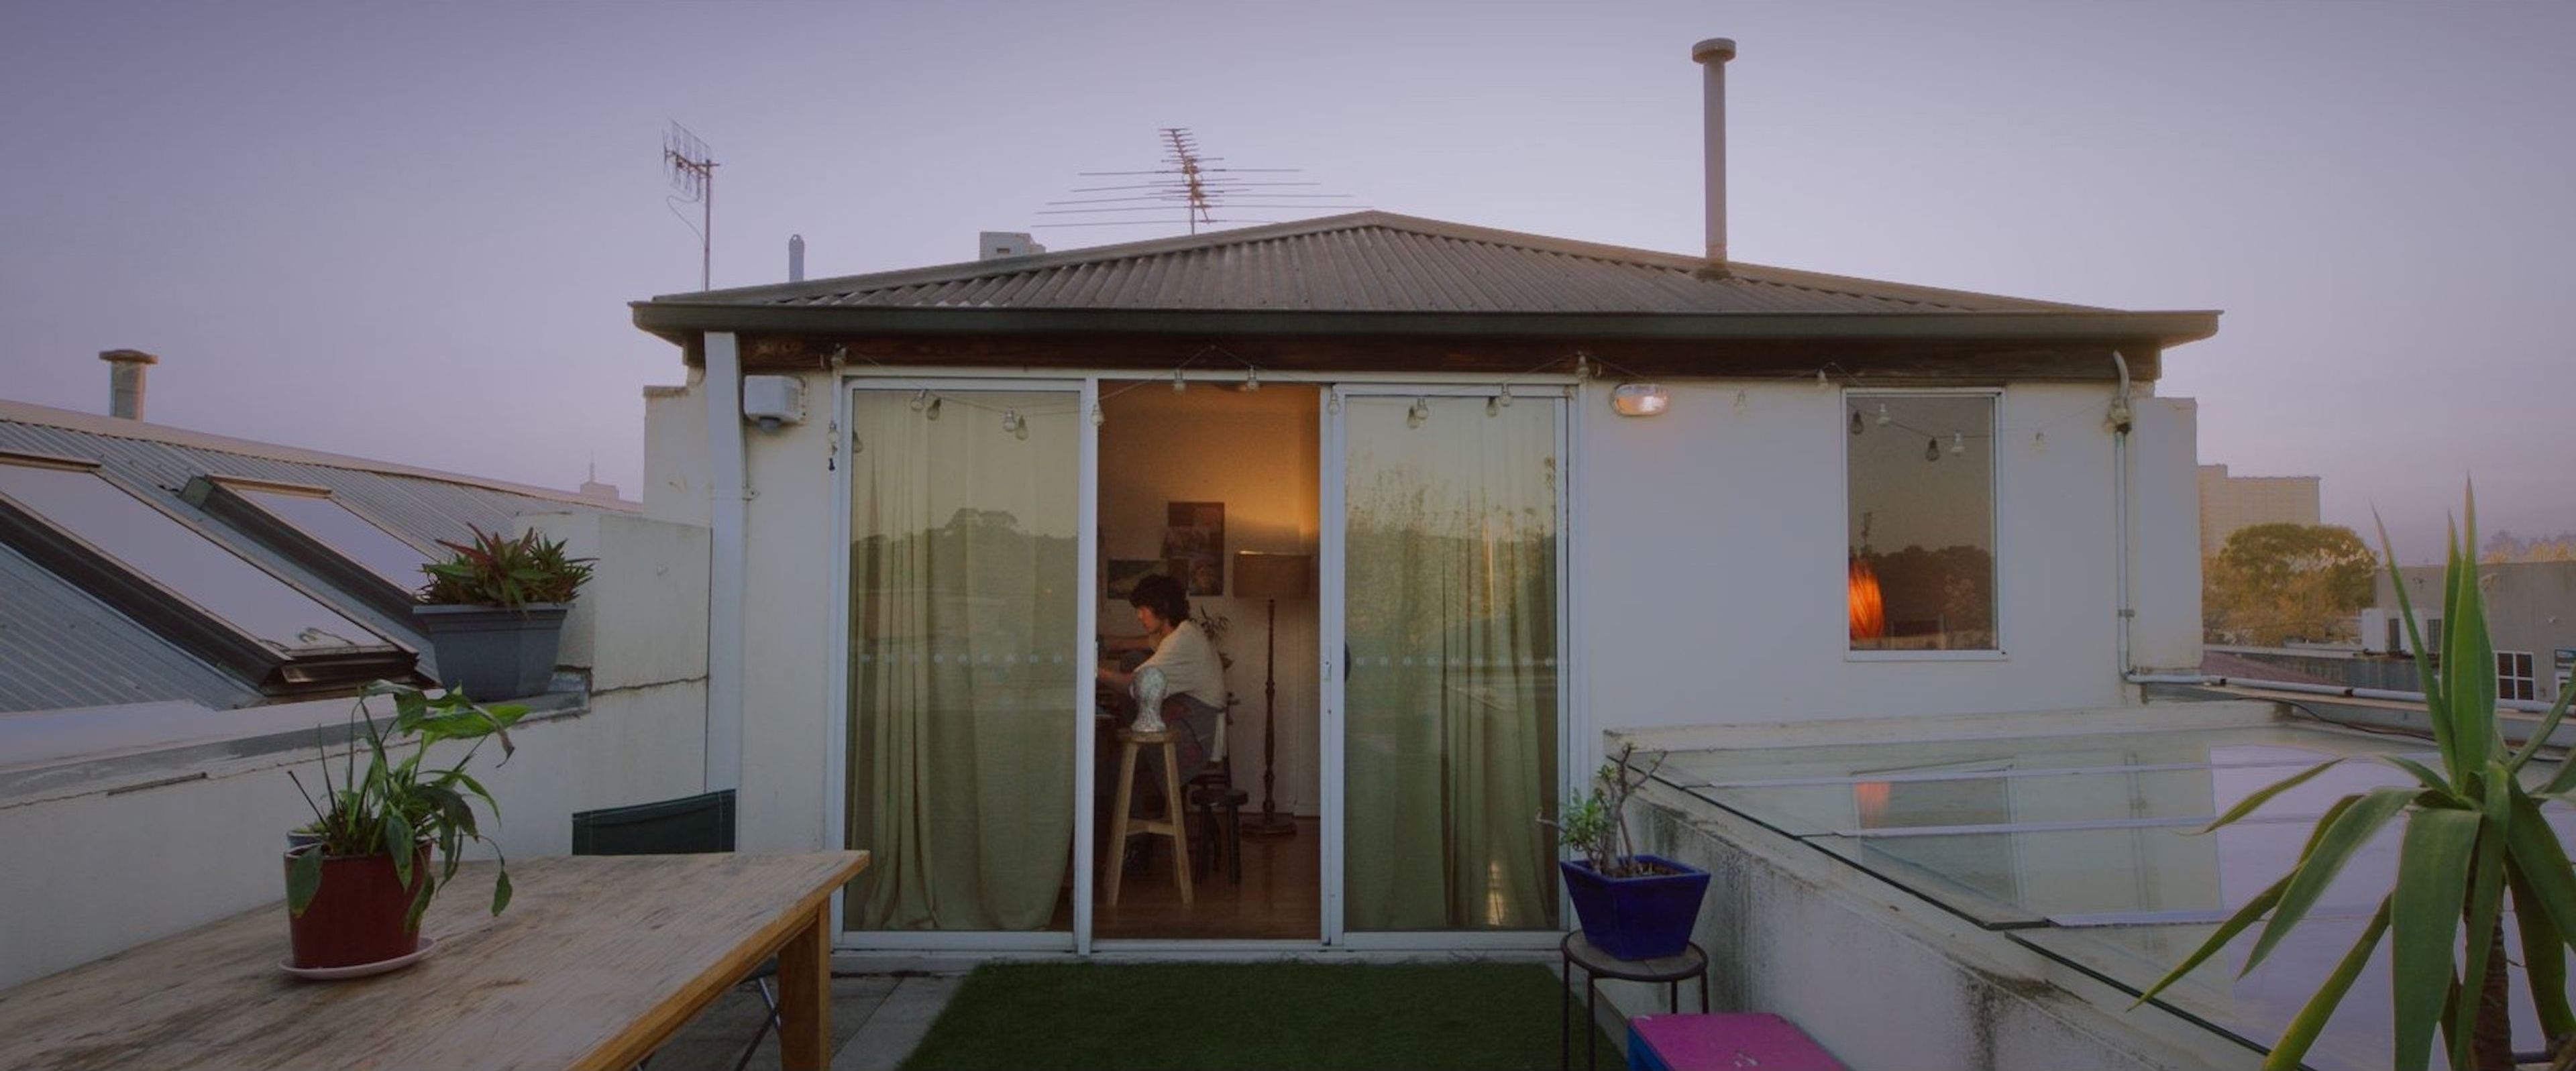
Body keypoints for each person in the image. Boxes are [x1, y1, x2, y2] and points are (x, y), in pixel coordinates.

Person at [1098, 573, 1225, 800]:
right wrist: (1104, 642)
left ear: (1163, 608)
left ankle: (1132, 832)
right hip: (1182, 720)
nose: (1139, 616)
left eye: (1143, 609)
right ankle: (1139, 823)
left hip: (1194, 736)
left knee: (1117, 765)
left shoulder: (1181, 641)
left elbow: (1133, 685)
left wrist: (1090, 670)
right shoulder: (1181, 632)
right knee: (1133, 659)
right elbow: (1140, 643)